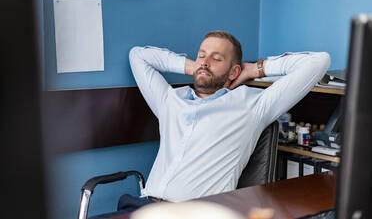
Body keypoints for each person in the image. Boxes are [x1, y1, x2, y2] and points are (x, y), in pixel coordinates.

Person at [125, 31, 329, 209]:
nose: (205, 61)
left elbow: (318, 61)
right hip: (143, 206)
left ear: (234, 71)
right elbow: (138, 55)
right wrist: (196, 67)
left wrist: (255, 69)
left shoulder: (252, 106)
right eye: (201, 55)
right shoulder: (169, 100)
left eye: (216, 58)